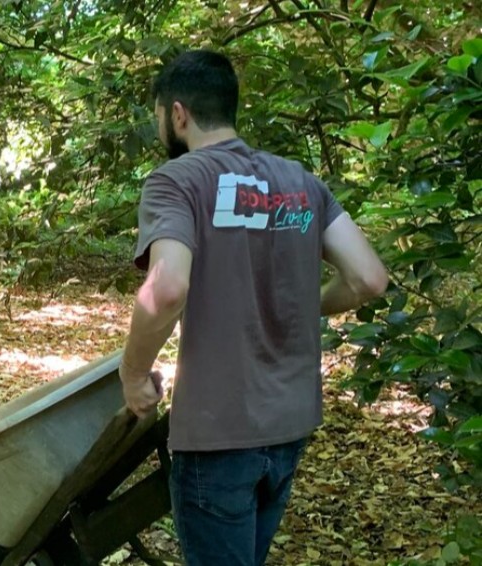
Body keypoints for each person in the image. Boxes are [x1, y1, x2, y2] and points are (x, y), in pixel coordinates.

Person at [118, 49, 388, 565]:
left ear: (178, 113)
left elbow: (167, 287)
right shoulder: (300, 182)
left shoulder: (176, 181)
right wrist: (305, 304)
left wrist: (134, 373)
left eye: (158, 116)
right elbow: (369, 278)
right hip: (291, 425)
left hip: (219, 435)